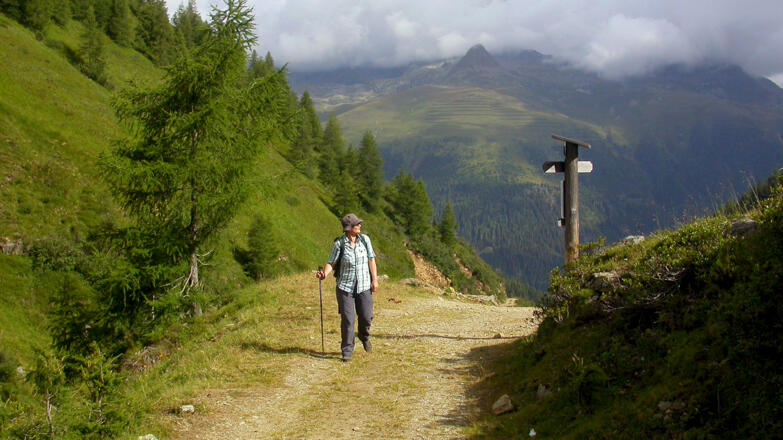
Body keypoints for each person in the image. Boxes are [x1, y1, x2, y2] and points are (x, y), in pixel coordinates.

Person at [316, 213, 379, 362]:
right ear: (349, 228)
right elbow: (331, 262)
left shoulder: (365, 240)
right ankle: (347, 351)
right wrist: (324, 274)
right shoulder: (339, 244)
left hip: (364, 286)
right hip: (345, 288)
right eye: (357, 224)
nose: (360, 226)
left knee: (366, 316)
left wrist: (375, 280)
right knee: (348, 320)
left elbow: (371, 260)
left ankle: (364, 336)